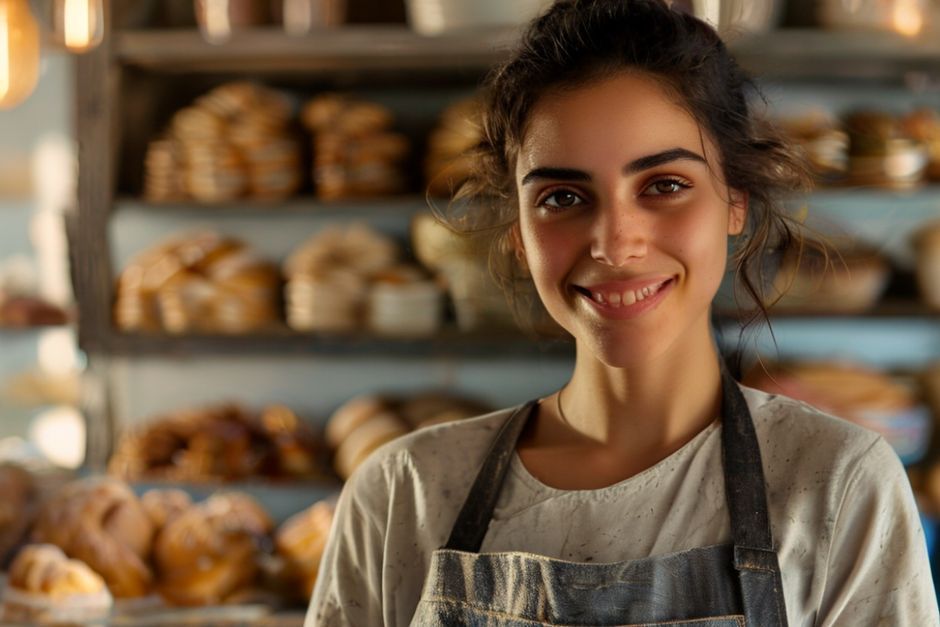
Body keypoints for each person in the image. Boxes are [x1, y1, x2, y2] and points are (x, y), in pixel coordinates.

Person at [306, 1, 939, 625]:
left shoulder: (839, 486)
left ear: (734, 204)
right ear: (518, 235)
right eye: (562, 197)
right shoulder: (402, 495)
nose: (614, 243)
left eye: (664, 185)